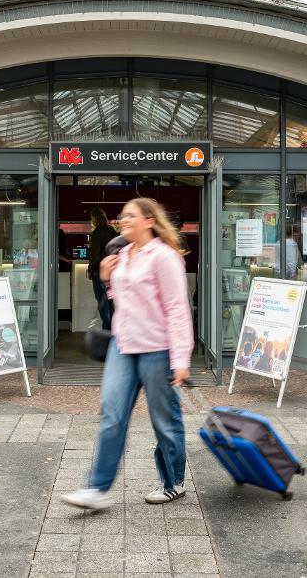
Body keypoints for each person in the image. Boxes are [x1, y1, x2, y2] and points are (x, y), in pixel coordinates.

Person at [62, 197, 194, 510]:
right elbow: (121, 301)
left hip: (157, 349)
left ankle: (173, 481)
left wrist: (181, 359)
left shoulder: (163, 257)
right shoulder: (121, 255)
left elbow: (177, 309)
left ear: (150, 220)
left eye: (131, 216)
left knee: (164, 421)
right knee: (111, 415)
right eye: (122, 216)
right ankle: (97, 489)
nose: (123, 220)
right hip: (123, 345)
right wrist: (108, 279)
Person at [87, 207, 118, 331]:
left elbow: (94, 255)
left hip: (99, 270)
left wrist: (90, 269)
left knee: (101, 300)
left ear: (94, 218)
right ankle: (113, 327)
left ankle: (107, 328)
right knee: (109, 300)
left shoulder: (97, 231)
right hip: (111, 270)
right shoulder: (111, 230)